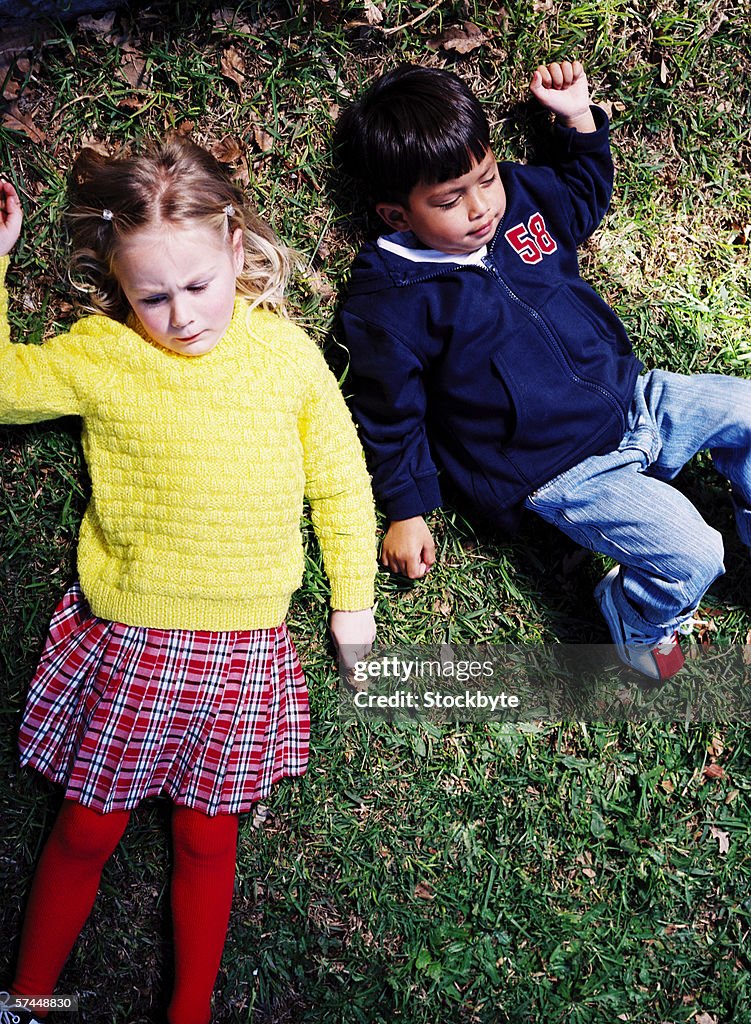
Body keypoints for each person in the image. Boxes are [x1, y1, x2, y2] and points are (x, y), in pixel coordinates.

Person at [0, 139, 376, 1024]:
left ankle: (190, 1013)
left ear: (237, 250)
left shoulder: (285, 356)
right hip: (131, 642)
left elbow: (340, 479)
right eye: (151, 296)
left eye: (198, 286)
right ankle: (27, 998)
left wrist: (352, 601)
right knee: (86, 828)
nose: (180, 316)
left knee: (208, 842)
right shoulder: (102, 354)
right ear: (120, 287)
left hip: (244, 651)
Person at [334, 59, 751, 682]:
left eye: (485, 178)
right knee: (694, 553)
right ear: (398, 215)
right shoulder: (390, 303)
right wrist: (406, 509)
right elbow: (391, 416)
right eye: (450, 200)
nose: (480, 208)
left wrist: (579, 120)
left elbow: (582, 196)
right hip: (562, 469)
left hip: (635, 399)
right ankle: (635, 616)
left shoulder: (521, 203)